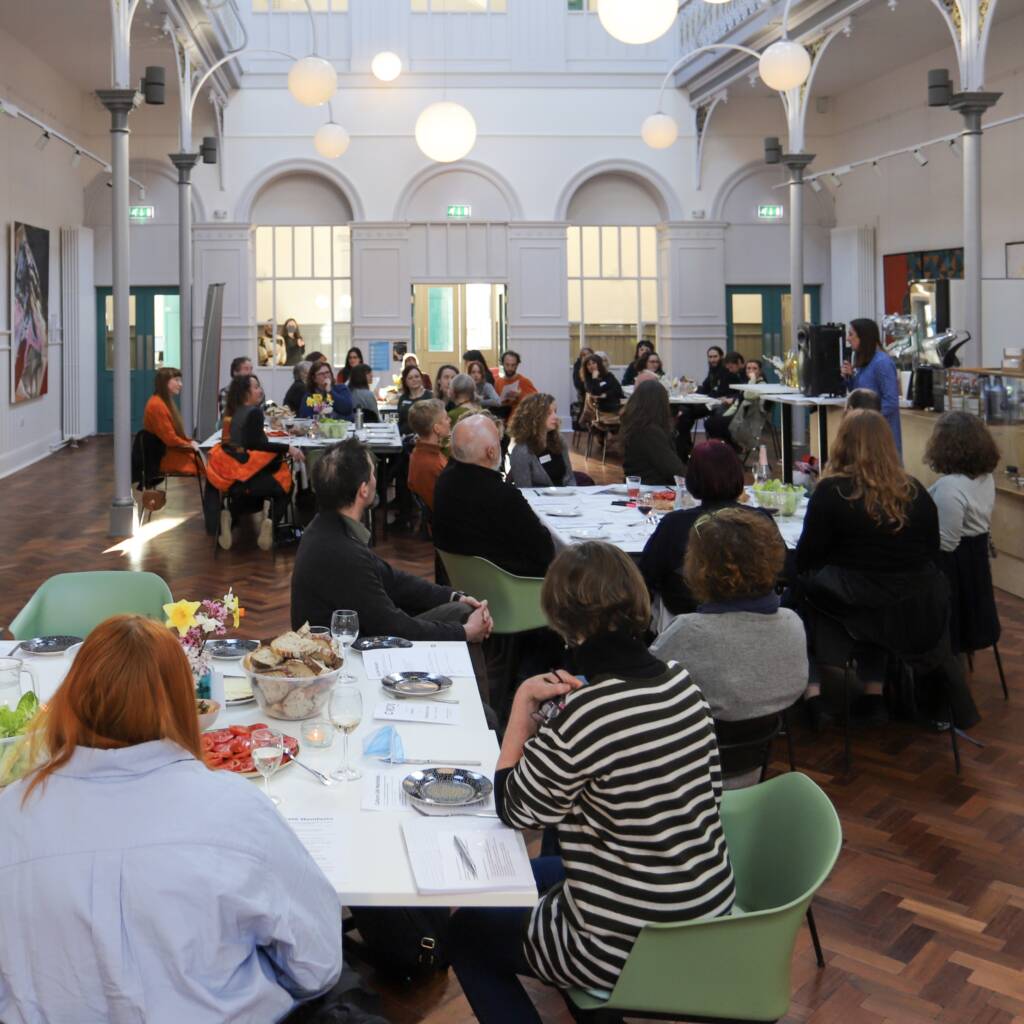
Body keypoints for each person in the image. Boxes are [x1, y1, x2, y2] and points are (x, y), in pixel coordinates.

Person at [0, 615, 344, 1023]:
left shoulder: (11, 814)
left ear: (71, 698)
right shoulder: (234, 810)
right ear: (182, 702)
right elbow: (316, 967)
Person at [449, 542, 735, 1024]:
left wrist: (521, 707)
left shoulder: (586, 713)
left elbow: (513, 807)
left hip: (624, 938)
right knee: (540, 876)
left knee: (467, 936)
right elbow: (705, 793)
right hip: (703, 916)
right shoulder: (685, 685)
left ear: (564, 620)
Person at [792, 410, 978, 729]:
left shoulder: (832, 492)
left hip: (849, 607)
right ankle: (874, 692)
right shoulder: (917, 493)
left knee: (796, 591)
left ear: (843, 444)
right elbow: (931, 554)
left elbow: (807, 557)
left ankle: (814, 693)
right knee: (877, 602)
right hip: (908, 611)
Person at [651, 508, 808, 784]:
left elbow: (642, 693)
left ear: (698, 568)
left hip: (684, 779)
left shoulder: (689, 631)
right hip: (754, 769)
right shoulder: (792, 624)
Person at [291, 438, 492, 642]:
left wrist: (454, 595)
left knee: (461, 608)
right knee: (462, 615)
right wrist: (465, 632)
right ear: (364, 490)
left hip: (350, 640)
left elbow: (392, 579)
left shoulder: (325, 527)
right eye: (372, 474)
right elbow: (393, 626)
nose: (374, 479)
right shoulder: (343, 551)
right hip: (350, 655)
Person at [639, 440, 776, 616]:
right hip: (757, 619)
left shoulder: (674, 524)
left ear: (693, 478)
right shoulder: (760, 519)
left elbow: (646, 575)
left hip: (686, 616)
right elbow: (784, 571)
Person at [433, 413, 555, 578]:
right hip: (511, 586)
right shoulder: (502, 495)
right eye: (499, 442)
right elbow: (545, 551)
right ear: (491, 452)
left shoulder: (444, 480)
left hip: (460, 579)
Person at [924, 411, 1001, 656]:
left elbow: (946, 543)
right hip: (976, 570)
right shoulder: (985, 478)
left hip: (954, 574)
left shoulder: (950, 487)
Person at [206, 374, 304, 550]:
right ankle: (270, 523)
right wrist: (287, 448)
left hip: (234, 480)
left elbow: (239, 443)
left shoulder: (233, 412)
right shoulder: (254, 413)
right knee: (286, 486)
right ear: (245, 392)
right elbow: (255, 444)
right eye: (256, 387)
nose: (260, 390)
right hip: (251, 476)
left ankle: (229, 515)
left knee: (252, 495)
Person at [841, 318, 902, 453]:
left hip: (880, 437)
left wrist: (865, 416)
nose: (847, 339)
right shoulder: (866, 361)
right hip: (865, 434)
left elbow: (891, 402)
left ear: (864, 336)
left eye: (851, 334)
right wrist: (850, 377)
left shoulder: (882, 363)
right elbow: (862, 394)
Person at [676, 346, 743, 460]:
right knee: (684, 411)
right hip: (711, 402)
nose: (712, 360)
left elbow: (720, 391)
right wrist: (693, 388)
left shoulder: (727, 371)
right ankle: (684, 446)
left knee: (687, 413)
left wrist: (705, 393)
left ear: (721, 357)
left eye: (715, 356)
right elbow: (706, 387)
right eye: (710, 357)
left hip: (721, 405)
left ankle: (685, 449)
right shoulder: (712, 370)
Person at [621, 378, 685, 485]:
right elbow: (673, 469)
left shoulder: (635, 424)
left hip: (641, 482)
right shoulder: (649, 431)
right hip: (653, 486)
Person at [142, 367, 202, 476]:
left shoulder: (163, 402)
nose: (181, 384)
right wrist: (189, 444)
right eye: (177, 380)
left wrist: (190, 442)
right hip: (166, 456)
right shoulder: (157, 405)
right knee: (213, 466)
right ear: (164, 382)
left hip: (169, 451)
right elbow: (170, 439)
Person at [507, 392, 574, 488]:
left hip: (566, 499)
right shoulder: (521, 451)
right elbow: (524, 492)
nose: (555, 417)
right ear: (534, 417)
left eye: (555, 411)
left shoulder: (559, 440)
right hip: (538, 502)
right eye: (548, 413)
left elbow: (570, 478)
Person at [705, 356, 768, 452]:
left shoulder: (762, 385)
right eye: (748, 368)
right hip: (739, 415)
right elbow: (737, 403)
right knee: (712, 421)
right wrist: (725, 415)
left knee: (712, 424)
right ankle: (726, 448)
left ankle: (731, 448)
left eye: (754, 368)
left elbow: (748, 395)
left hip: (749, 419)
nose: (751, 371)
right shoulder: (748, 383)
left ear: (760, 371)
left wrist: (753, 378)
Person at [407, 398, 450, 512]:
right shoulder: (433, 464)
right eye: (446, 418)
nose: (449, 420)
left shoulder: (418, 452)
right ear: (436, 428)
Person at [493, 350, 537, 415]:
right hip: (502, 418)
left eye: (513, 365)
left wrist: (520, 396)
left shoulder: (524, 381)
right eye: (507, 364)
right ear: (502, 364)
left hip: (519, 419)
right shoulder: (498, 382)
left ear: (517, 365)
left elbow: (536, 400)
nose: (510, 368)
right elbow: (495, 403)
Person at [396, 364, 433, 435]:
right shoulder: (402, 398)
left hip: (424, 438)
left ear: (421, 378)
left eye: (417, 377)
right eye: (410, 378)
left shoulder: (430, 396)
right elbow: (396, 419)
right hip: (404, 439)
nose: (414, 380)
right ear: (405, 382)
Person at [218, 356, 253, 423]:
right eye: (246, 369)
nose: (250, 373)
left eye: (251, 369)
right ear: (235, 372)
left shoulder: (255, 391)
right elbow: (226, 417)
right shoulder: (225, 392)